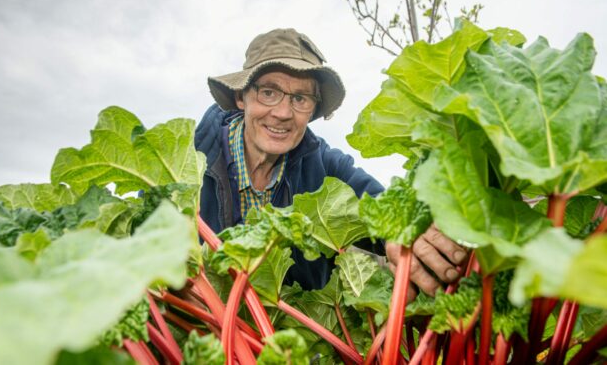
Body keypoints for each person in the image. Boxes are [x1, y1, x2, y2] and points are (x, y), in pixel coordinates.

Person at [195, 28, 467, 297]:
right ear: (241, 97)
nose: (282, 113)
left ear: (312, 109)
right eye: (269, 92)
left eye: (300, 98)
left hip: (294, 337)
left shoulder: (325, 166)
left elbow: (380, 205)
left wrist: (405, 231)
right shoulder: (187, 162)